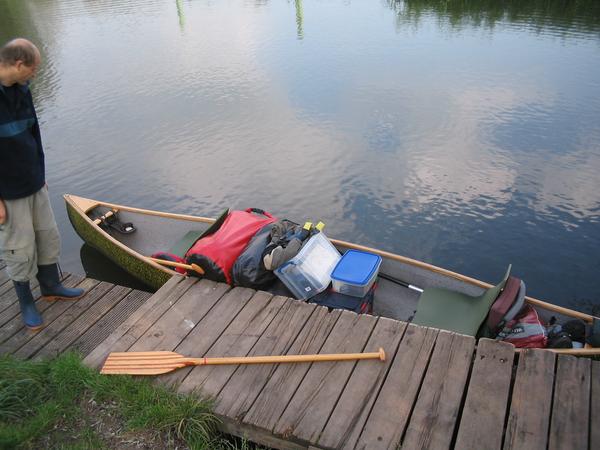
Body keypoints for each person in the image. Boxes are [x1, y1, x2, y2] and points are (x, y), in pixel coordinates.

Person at [0, 38, 84, 331]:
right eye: (32, 69)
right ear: (18, 64)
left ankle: (51, 286)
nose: (34, 75)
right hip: (8, 191)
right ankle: (26, 303)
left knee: (48, 236)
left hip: (34, 181)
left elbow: (33, 133)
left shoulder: (22, 90)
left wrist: (41, 172)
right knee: (19, 248)